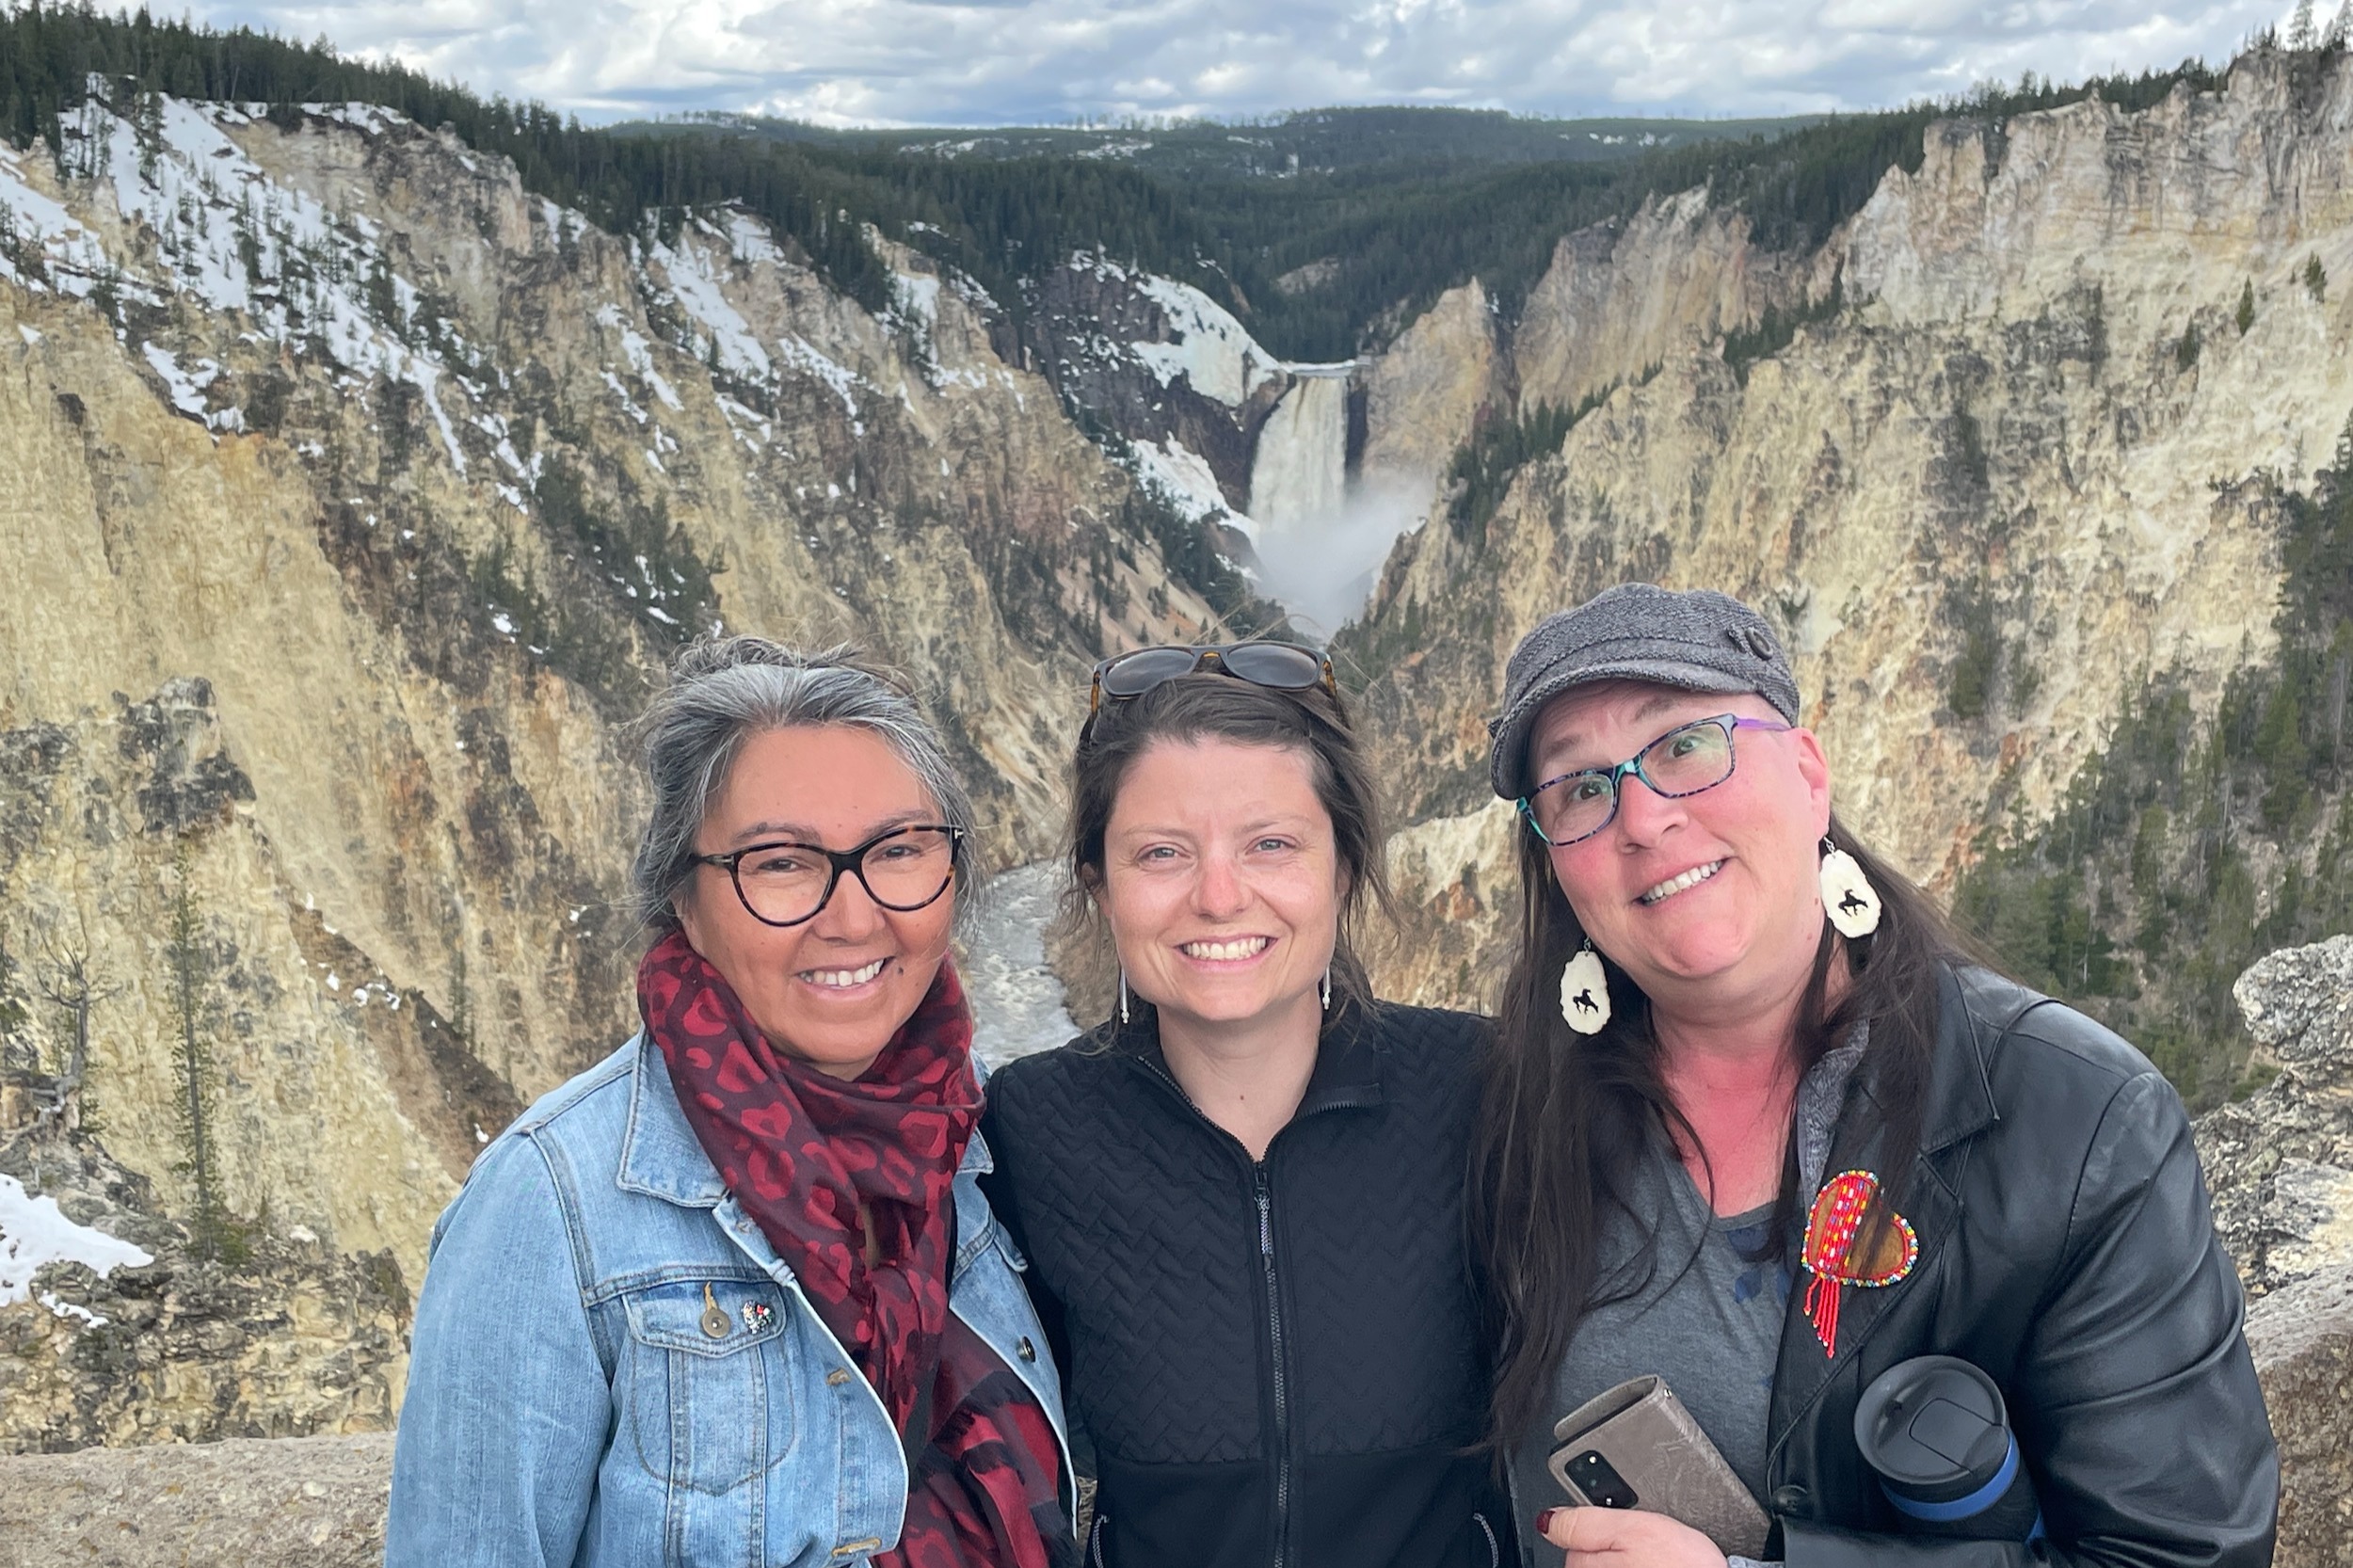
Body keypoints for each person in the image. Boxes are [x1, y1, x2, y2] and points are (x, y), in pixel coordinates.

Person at [1474, 584, 2277, 1568]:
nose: (1641, 817)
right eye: (1579, 789)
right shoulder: (1504, 1112)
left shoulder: (2074, 1121)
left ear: (1809, 775)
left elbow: (2182, 1554)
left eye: (1685, 745)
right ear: (1556, 862)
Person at [387, 637, 1076, 1568]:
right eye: (782, 863)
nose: (854, 914)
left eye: (900, 850)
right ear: (683, 894)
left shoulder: (997, 1134)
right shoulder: (553, 1200)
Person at [980, 642, 1516, 1568]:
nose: (1220, 896)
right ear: (1100, 886)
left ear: (1343, 866)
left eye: (1270, 843)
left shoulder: (1480, 1090)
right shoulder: (1032, 1128)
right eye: (1161, 853)